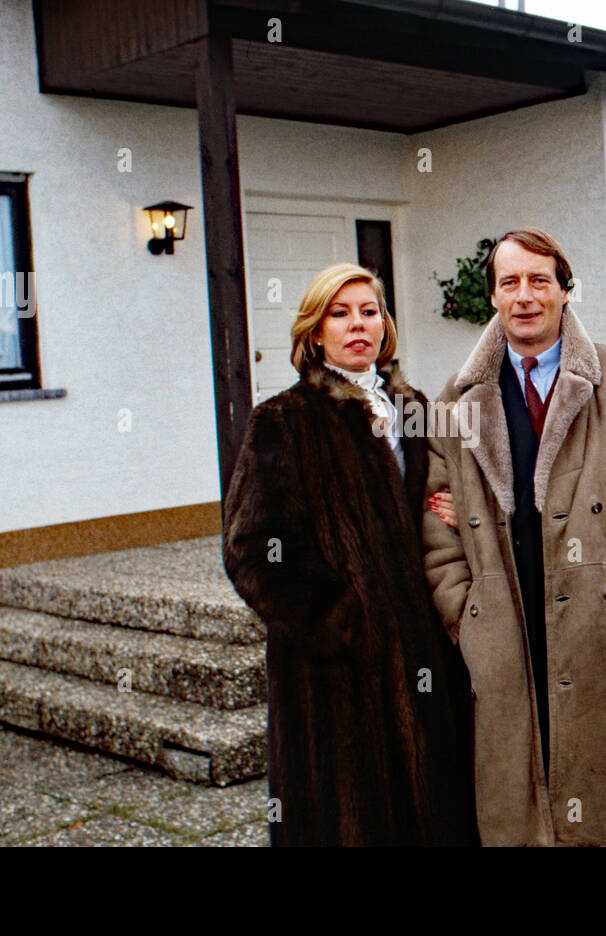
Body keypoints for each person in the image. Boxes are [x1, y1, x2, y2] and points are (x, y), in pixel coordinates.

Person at [422, 227, 606, 846]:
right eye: (509, 282)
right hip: (505, 626)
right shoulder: (455, 400)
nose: (525, 296)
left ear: (565, 291)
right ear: (493, 297)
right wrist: (465, 615)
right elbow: (434, 527)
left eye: (539, 280)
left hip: (599, 629)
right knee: (519, 808)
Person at [222, 262, 478, 847]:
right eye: (340, 314)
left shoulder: (415, 409)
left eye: (369, 312)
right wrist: (339, 622)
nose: (357, 325)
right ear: (315, 332)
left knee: (434, 810)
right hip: (335, 680)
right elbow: (252, 549)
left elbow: (449, 496)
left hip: (426, 656)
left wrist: (458, 519)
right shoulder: (285, 420)